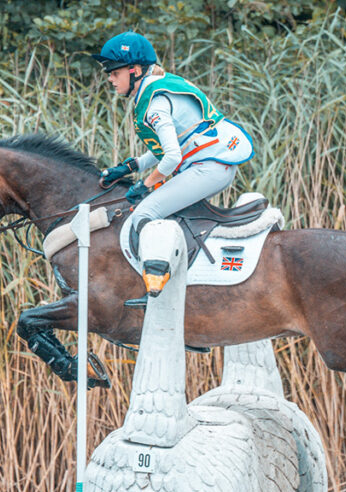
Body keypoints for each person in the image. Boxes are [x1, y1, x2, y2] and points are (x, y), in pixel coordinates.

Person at [92, 31, 255, 305]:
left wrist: (145, 185)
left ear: (135, 70)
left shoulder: (155, 103)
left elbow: (171, 158)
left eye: (114, 72)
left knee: (144, 212)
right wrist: (130, 166)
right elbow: (173, 146)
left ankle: (158, 286)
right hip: (211, 162)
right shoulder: (159, 87)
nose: (110, 78)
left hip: (208, 168)